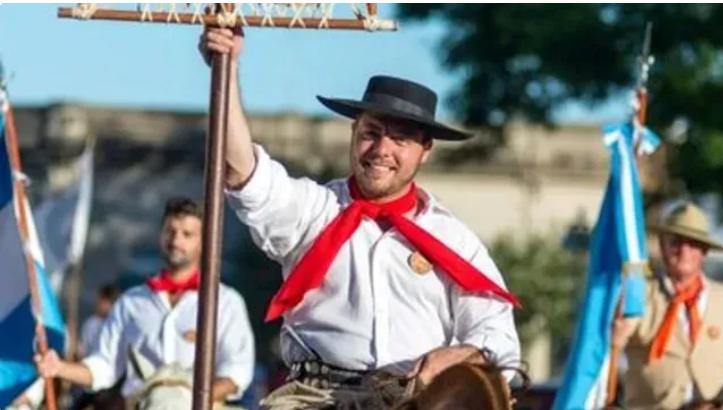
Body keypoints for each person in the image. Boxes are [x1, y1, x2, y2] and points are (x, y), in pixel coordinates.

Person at [201, 28, 520, 409]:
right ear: (354, 132)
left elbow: (499, 337)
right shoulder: (315, 210)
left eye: (400, 139)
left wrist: (461, 355)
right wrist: (226, 68)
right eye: (372, 133)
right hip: (316, 397)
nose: (382, 149)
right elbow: (244, 171)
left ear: (425, 150)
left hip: (409, 400)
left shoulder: (453, 238)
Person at [34, 197, 255, 405]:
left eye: (187, 234)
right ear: (161, 236)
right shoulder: (131, 302)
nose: (176, 240)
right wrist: (59, 368)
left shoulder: (226, 303)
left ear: (203, 242)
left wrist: (187, 402)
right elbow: (104, 367)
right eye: (170, 231)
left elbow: (237, 371)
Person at [614, 202, 723, 409]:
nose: (684, 251)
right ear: (662, 246)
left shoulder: (721, 299)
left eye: (692, 244)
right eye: (675, 243)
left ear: (704, 251)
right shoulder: (639, 294)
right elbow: (611, 346)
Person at [79, 284, 121, 357]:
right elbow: (83, 349)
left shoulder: (117, 324)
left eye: (104, 301)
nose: (97, 303)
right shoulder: (91, 323)